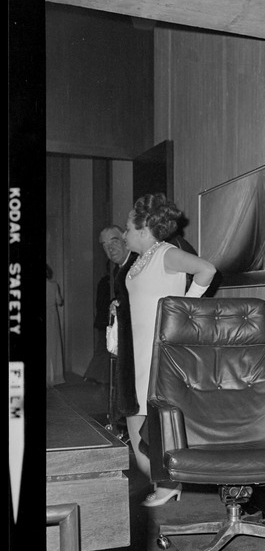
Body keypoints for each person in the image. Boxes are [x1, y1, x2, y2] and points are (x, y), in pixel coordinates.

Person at [123, 193, 216, 507]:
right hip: (137, 350)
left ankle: (167, 483)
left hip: (159, 350)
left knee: (152, 421)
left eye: (128, 229)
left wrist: (182, 313)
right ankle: (165, 480)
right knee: (135, 420)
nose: (124, 235)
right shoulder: (141, 259)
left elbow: (207, 269)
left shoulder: (166, 253)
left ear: (144, 230)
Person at [83, 225, 131, 385]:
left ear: (125, 240)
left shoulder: (136, 264)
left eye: (114, 241)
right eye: (105, 244)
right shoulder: (117, 270)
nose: (110, 247)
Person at [46, 264, 65, 387]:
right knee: (53, 346)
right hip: (51, 316)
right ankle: (52, 377)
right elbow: (59, 301)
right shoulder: (53, 284)